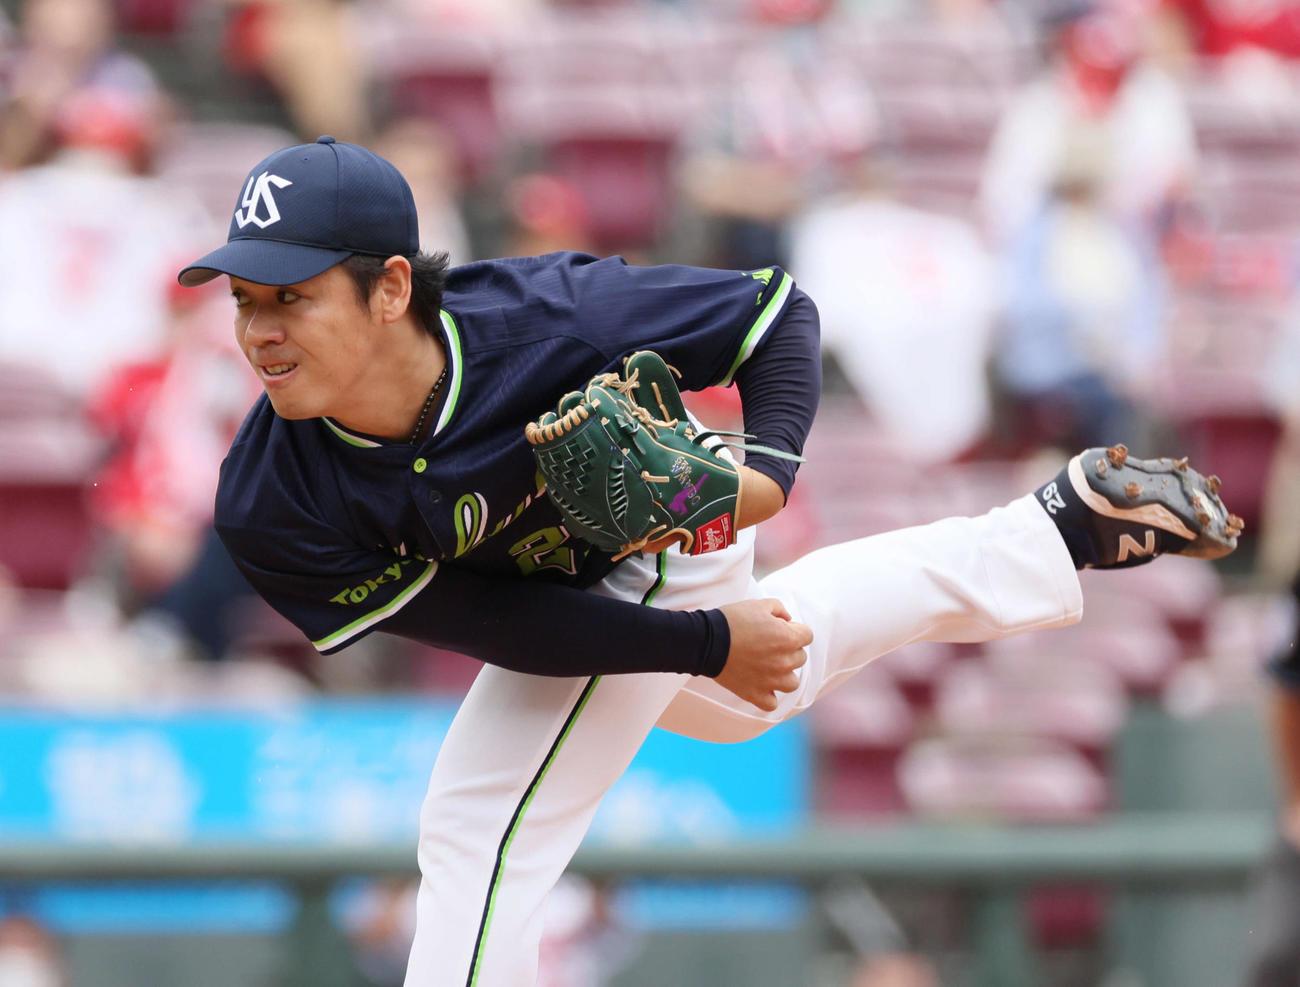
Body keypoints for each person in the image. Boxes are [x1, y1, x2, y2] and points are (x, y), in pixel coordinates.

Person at [177, 136, 1243, 986]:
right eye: (244, 299)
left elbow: (775, 316)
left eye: (293, 295)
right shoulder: (268, 500)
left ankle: (1024, 541)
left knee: (477, 821)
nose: (260, 329)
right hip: (572, 607)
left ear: (392, 287)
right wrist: (706, 645)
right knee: (756, 684)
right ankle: (1056, 528)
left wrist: (767, 477)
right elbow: (506, 632)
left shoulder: (553, 320)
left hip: (650, 537)